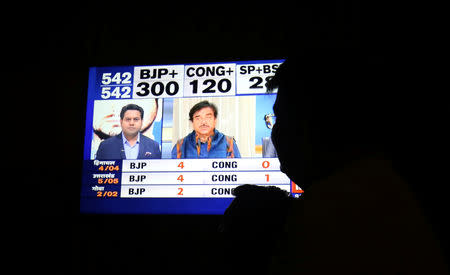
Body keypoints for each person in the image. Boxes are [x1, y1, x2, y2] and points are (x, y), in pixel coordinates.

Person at [220, 48, 449, 274]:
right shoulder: (382, 187)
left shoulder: (327, 216)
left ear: (318, 121)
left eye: (283, 117)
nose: (276, 133)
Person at [171, 100, 241, 159]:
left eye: (208, 117)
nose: (203, 122)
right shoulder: (180, 145)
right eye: (198, 118)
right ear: (192, 122)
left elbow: (237, 172)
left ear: (215, 120)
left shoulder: (229, 143)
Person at [96, 104, 161, 159]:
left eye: (136, 119)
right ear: (121, 122)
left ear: (141, 122)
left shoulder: (153, 146)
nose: (131, 123)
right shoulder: (105, 146)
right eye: (128, 119)